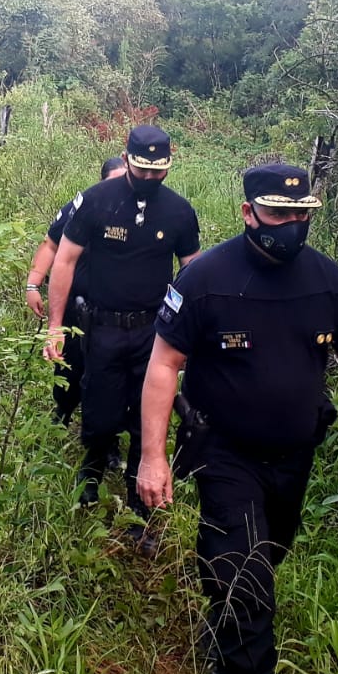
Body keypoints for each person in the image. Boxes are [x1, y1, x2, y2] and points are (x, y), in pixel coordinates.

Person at [137, 163, 338, 674]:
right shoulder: (206, 279)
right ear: (248, 213)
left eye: (301, 214)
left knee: (269, 552)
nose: (291, 226)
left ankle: (226, 624)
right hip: (224, 452)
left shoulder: (326, 280)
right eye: (279, 213)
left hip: (294, 455)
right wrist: (153, 455)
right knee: (244, 576)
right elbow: (163, 365)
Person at [43, 125, 201, 543]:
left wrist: (194, 335)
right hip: (103, 325)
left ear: (170, 164)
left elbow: (193, 272)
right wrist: (55, 326)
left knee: (146, 415)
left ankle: (138, 505)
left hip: (154, 332)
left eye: (159, 171)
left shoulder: (179, 212)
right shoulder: (97, 201)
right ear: (127, 158)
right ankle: (90, 476)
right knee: (99, 405)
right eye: (143, 168)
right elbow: (64, 261)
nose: (150, 178)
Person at [25, 156, 128, 442]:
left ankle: (107, 440)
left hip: (118, 312)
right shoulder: (82, 207)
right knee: (70, 363)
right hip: (76, 304)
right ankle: (64, 409)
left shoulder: (141, 213)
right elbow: (50, 245)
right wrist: (33, 285)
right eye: (114, 182)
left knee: (112, 378)